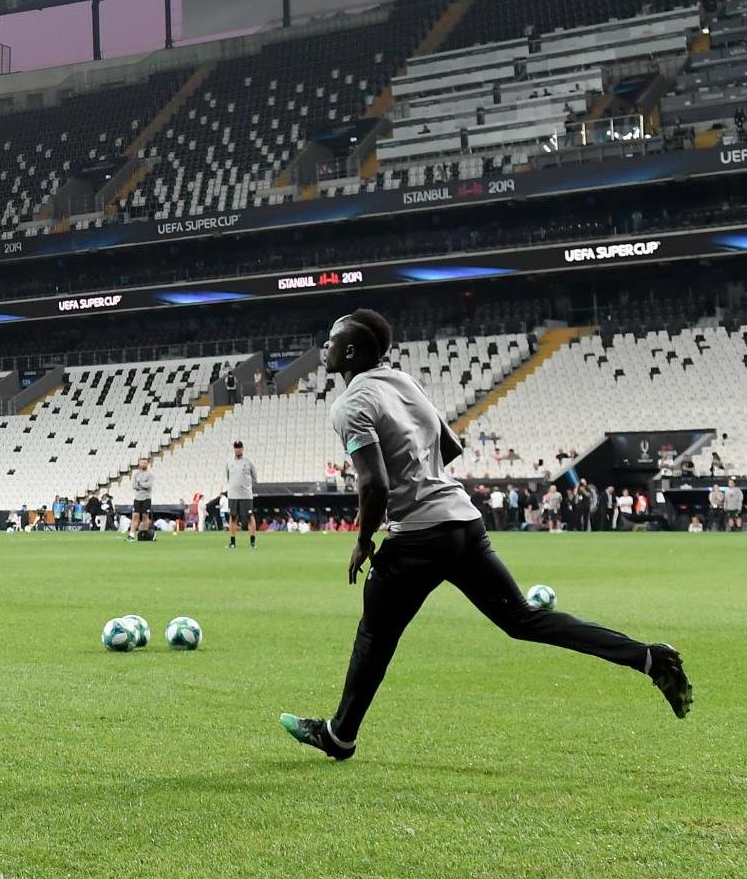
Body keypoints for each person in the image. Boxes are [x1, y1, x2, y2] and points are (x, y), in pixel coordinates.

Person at [280, 309, 691, 761]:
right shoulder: (403, 382)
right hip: (464, 524)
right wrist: (421, 477)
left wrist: (364, 540)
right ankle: (648, 657)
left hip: (418, 538)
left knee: (375, 636)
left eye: (332, 340)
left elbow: (373, 484)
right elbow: (450, 446)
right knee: (523, 619)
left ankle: (340, 736)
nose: (326, 347)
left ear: (351, 352)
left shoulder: (351, 405)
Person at [224, 441, 257, 548]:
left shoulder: (248, 462)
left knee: (249, 517)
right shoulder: (229, 463)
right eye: (236, 447)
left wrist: (246, 487)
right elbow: (228, 478)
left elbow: (255, 477)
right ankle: (232, 542)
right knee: (233, 517)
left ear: (243, 448)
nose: (238, 449)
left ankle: (252, 542)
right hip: (233, 495)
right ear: (233, 449)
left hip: (246, 496)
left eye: (239, 447)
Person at [129, 459, 154, 540]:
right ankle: (132, 534)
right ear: (139, 463)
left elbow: (149, 485)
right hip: (137, 498)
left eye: (146, 463)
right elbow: (133, 485)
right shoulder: (136, 474)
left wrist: (139, 484)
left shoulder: (150, 474)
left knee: (145, 517)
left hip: (146, 498)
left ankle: (145, 534)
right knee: (135, 516)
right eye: (143, 462)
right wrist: (143, 485)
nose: (144, 464)